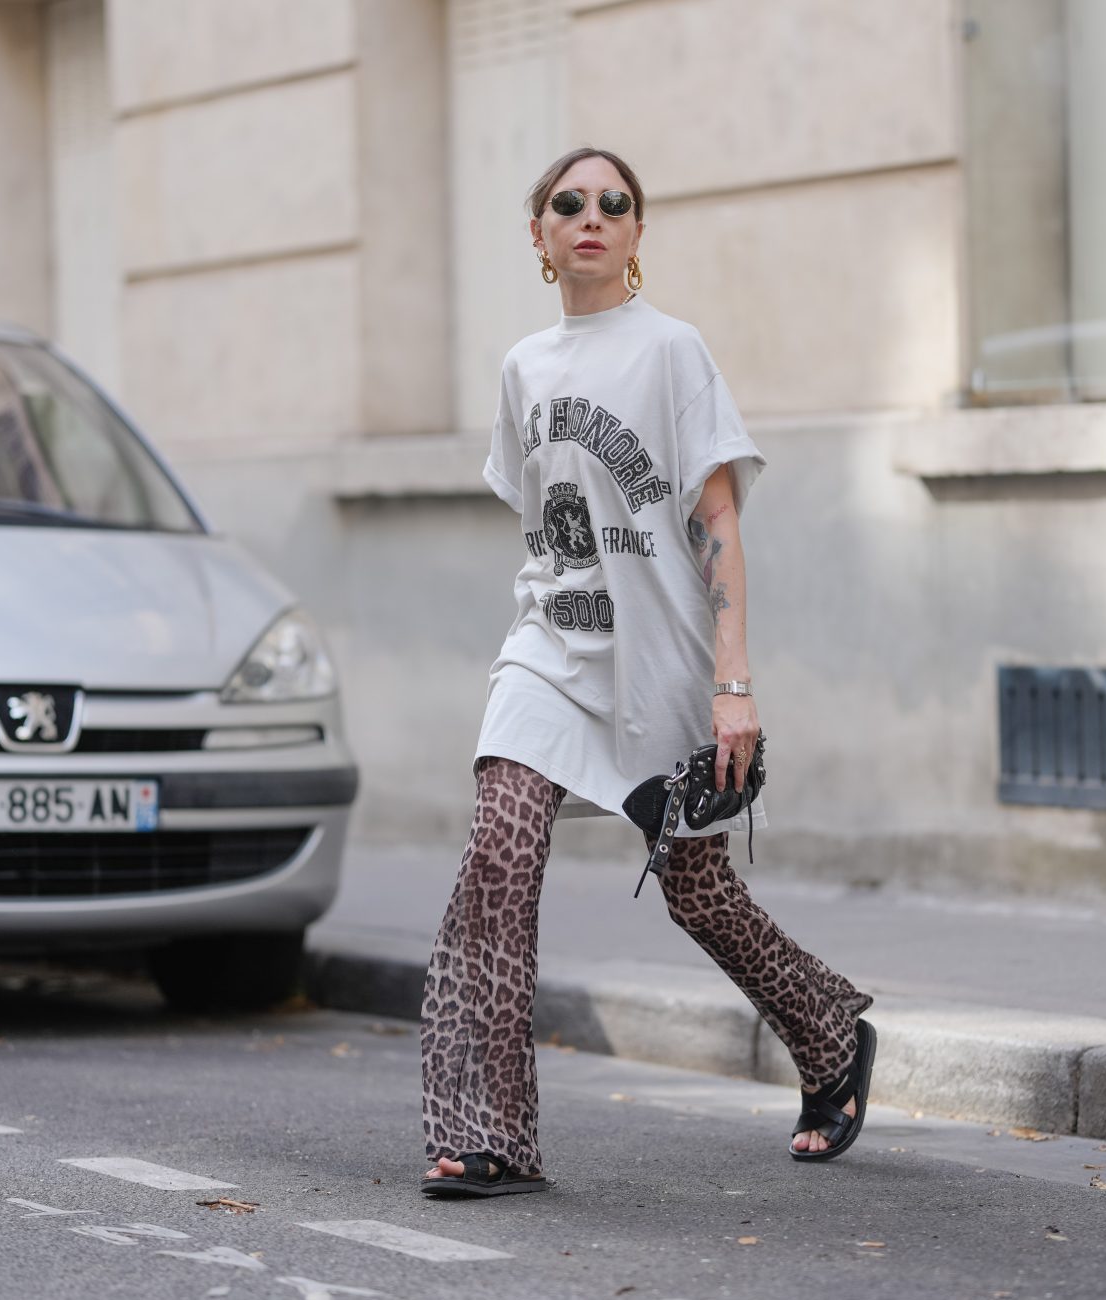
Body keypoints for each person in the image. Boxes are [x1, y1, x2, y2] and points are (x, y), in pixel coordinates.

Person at [418, 147, 876, 1197]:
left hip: (660, 659)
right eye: (567, 204)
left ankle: (828, 1030)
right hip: (547, 649)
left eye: (613, 205)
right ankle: (487, 1132)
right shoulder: (523, 367)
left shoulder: (672, 353)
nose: (591, 217)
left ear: (635, 232)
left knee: (696, 890)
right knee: (497, 848)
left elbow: (716, 520)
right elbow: (543, 528)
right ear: (538, 235)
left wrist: (733, 683)